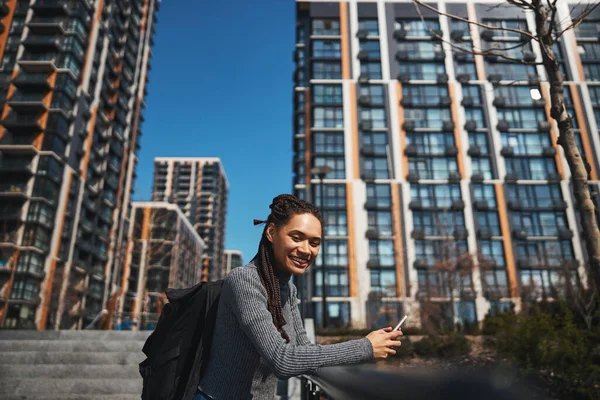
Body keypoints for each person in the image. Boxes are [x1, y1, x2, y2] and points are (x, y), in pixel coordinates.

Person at [196, 194, 403, 400]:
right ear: (271, 232)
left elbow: (304, 350)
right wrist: (364, 348)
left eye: (314, 242)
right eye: (296, 238)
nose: (306, 250)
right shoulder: (245, 280)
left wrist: (367, 365)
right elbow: (282, 360)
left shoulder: (288, 290)